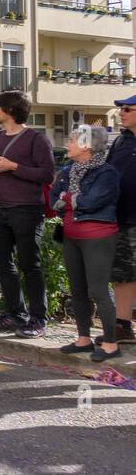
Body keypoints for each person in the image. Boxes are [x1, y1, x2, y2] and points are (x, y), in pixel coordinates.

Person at [0, 90, 55, 337]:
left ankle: (38, 319)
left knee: (29, 265)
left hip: (27, 210)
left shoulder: (37, 139)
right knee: (0, 262)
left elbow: (47, 175)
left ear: (10, 110)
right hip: (2, 208)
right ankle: (14, 313)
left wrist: (11, 166)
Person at [53, 126, 122, 361]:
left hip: (98, 237)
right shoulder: (67, 171)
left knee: (99, 291)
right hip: (72, 235)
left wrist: (69, 198)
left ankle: (111, 344)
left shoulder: (106, 173)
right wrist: (71, 199)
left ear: (86, 146)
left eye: (72, 140)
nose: (67, 143)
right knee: (77, 289)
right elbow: (54, 199)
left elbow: (92, 202)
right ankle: (83, 339)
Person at [106, 93, 136, 344]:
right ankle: (123, 325)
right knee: (123, 273)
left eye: (127, 109)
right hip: (123, 218)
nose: (121, 113)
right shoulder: (120, 141)